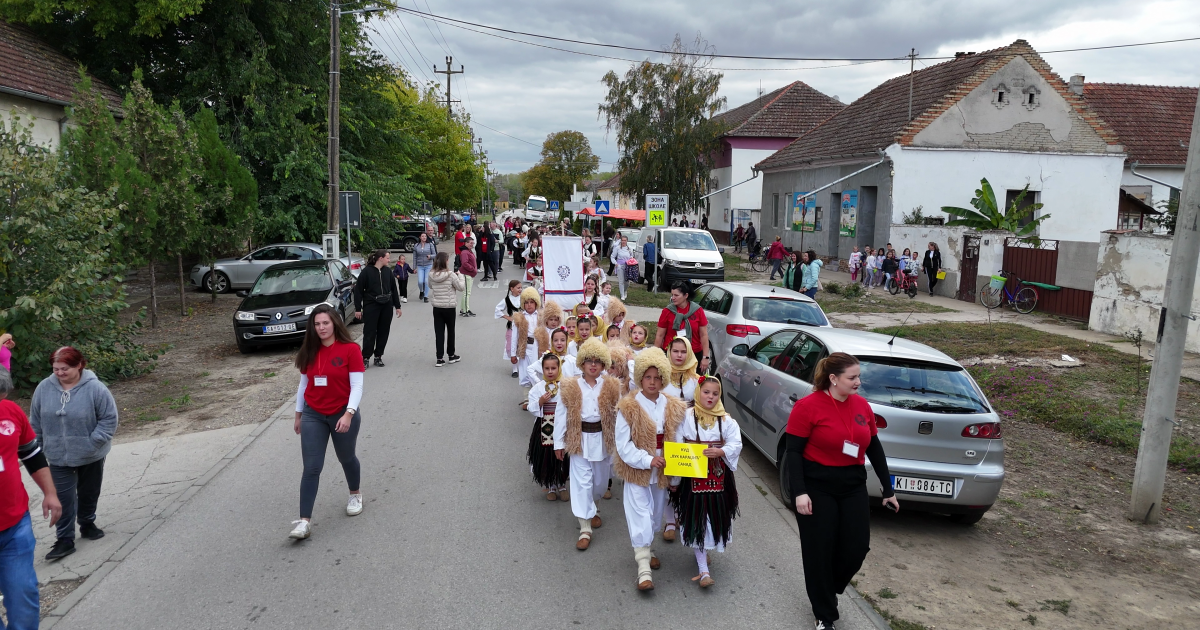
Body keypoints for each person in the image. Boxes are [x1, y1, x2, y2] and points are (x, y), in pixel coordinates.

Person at [783, 353, 898, 629]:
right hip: (816, 486)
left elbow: (874, 447)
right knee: (819, 549)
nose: (859, 382)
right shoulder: (807, 406)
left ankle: (826, 585)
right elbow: (794, 452)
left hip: (852, 485)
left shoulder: (862, 406)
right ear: (833, 379)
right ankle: (825, 614)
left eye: (859, 376)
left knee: (857, 546)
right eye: (852, 377)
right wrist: (799, 492)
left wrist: (887, 488)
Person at [28, 347, 118, 561]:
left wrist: (93, 442)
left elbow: (109, 419)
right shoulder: (43, 388)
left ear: (79, 365)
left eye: (64, 368)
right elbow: (36, 420)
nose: (59, 373)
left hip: (91, 454)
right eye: (55, 369)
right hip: (57, 456)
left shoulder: (96, 388)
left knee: (88, 492)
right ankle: (65, 539)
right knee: (63, 498)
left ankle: (87, 523)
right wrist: (38, 447)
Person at [289, 305, 366, 540]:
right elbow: (304, 385)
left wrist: (349, 413)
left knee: (346, 457)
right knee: (311, 467)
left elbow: (357, 385)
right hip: (313, 413)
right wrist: (298, 414)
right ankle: (304, 522)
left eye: (325, 323)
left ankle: (355, 494)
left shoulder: (350, 349)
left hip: (342, 413)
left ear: (335, 323)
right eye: (317, 324)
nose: (321, 327)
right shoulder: (308, 351)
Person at [614, 347, 687, 591]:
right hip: (638, 470)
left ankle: (648, 549)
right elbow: (623, 445)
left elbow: (679, 438)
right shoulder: (629, 406)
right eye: (648, 377)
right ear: (640, 378)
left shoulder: (673, 405)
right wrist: (647, 460)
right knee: (640, 516)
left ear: (664, 378)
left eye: (657, 378)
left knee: (655, 516)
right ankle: (643, 568)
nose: (653, 382)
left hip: (663, 471)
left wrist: (676, 467)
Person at [1, 367, 63, 628]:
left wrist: (50, 493)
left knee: (23, 594)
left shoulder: (10, 412)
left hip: (15, 524)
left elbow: (31, 454)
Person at [669, 374, 742, 588]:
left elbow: (736, 443)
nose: (710, 397)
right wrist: (674, 478)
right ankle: (703, 570)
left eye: (715, 393)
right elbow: (676, 444)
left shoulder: (726, 420)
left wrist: (721, 450)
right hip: (692, 475)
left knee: (715, 518)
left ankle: (703, 552)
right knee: (696, 519)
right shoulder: (686, 417)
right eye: (706, 392)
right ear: (698, 392)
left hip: (718, 477)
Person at [553, 337, 622, 552]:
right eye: (589, 361)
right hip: (578, 439)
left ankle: (596, 507)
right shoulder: (570, 385)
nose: (593, 365)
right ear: (582, 363)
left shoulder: (611, 385)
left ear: (604, 364)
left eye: (598, 361)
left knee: (600, 483)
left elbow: (619, 414)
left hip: (602, 439)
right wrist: (558, 442)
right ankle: (585, 528)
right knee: (582, 483)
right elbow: (560, 414)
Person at [527, 353, 570, 502]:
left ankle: (562, 483)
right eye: (547, 368)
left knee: (562, 454)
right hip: (544, 426)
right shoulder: (538, 388)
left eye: (553, 368)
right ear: (543, 369)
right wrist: (540, 402)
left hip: (562, 424)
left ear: (559, 368)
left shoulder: (566, 386)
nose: (550, 371)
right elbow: (531, 408)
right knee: (547, 456)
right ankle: (551, 485)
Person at [354, 249, 402, 368]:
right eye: (387, 258)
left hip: (386, 304)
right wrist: (358, 308)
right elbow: (358, 291)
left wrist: (397, 306)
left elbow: (394, 289)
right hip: (371, 305)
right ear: (380, 258)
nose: (389, 260)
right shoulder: (366, 272)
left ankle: (378, 356)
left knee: (383, 331)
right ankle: (365, 357)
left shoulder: (388, 272)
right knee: (369, 331)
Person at [655, 281, 711, 375]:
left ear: (686, 296)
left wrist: (705, 357)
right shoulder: (667, 311)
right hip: (671, 354)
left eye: (676, 295)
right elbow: (660, 335)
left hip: (693, 354)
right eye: (672, 295)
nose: (673, 298)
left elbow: (704, 335)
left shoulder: (698, 311)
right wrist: (656, 355)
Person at [428, 252, 465, 367]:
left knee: (439, 332)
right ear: (446, 261)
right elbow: (460, 287)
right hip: (449, 306)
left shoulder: (431, 274)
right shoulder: (451, 275)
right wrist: (460, 276)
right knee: (451, 331)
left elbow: (430, 286)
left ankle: (439, 358)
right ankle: (451, 355)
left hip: (437, 306)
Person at [511, 287, 543, 389]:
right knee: (525, 372)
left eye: (532, 302)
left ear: (536, 303)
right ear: (523, 304)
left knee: (538, 372)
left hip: (538, 347)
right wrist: (513, 354)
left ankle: (537, 397)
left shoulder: (541, 316)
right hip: (525, 347)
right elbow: (514, 337)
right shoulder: (519, 317)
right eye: (526, 302)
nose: (529, 305)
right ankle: (526, 398)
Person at [494, 280, 523, 378]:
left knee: (522, 345)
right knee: (512, 346)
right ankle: (515, 368)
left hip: (523, 326)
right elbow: (497, 309)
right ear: (512, 289)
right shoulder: (507, 300)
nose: (520, 289)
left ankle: (523, 366)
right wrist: (508, 317)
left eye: (521, 288)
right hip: (512, 326)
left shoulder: (524, 298)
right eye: (518, 288)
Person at [664, 336, 699, 402]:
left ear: (689, 353)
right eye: (675, 351)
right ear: (669, 352)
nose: (679, 355)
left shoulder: (695, 380)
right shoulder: (660, 376)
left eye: (683, 352)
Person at [413, 232, 438, 303]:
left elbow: (435, 254)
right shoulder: (416, 246)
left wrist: (430, 256)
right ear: (420, 237)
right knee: (420, 281)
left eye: (425, 236)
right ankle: (421, 291)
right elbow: (414, 257)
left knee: (426, 281)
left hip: (428, 265)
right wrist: (414, 267)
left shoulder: (430, 245)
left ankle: (426, 296)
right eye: (423, 236)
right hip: (420, 266)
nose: (424, 237)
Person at [610, 235, 635, 300]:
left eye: (625, 240)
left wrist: (631, 259)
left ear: (627, 241)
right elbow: (612, 256)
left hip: (627, 266)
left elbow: (632, 256)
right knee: (621, 281)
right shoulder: (617, 248)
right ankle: (622, 295)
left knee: (627, 281)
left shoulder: (629, 248)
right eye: (622, 240)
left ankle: (624, 290)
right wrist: (616, 263)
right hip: (620, 266)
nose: (623, 242)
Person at [459, 236, 478, 317]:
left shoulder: (468, 251)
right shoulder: (465, 252)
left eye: (472, 243)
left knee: (466, 293)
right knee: (467, 293)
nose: (472, 245)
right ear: (466, 243)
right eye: (470, 243)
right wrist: (473, 269)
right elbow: (465, 263)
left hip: (469, 274)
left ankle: (463, 309)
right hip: (467, 274)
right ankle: (466, 310)